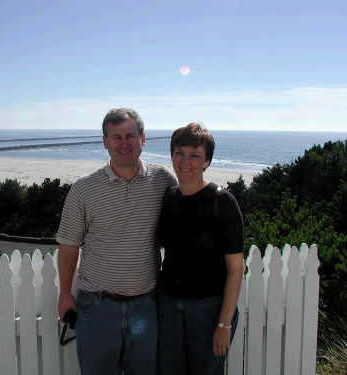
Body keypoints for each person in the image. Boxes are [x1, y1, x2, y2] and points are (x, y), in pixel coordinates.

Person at [56, 108, 178, 375]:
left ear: (143, 138)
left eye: (130, 136)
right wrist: (65, 293)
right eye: (116, 137)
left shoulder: (164, 180)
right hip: (96, 308)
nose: (124, 144)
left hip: (147, 307)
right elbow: (68, 245)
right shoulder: (83, 189)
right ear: (105, 142)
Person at [157, 122, 244, 375]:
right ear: (172, 156)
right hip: (168, 306)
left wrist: (224, 324)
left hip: (209, 310)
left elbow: (236, 269)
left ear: (206, 162)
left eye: (195, 155)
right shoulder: (169, 197)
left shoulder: (223, 202)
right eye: (179, 153)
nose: (186, 161)